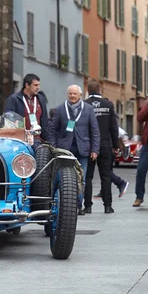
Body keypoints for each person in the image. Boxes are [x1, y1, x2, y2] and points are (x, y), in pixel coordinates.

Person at [48, 85, 100, 215]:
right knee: (61, 177)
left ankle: (78, 205)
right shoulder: (60, 109)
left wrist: (95, 150)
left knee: (80, 178)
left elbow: (95, 131)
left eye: (75, 94)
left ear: (80, 95)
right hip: (64, 149)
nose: (72, 96)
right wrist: (54, 147)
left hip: (83, 150)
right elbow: (52, 130)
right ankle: (59, 203)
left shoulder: (88, 109)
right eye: (70, 93)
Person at [83, 79, 127, 213]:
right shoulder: (108, 104)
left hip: (88, 146)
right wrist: (115, 145)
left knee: (88, 177)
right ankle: (108, 206)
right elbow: (114, 127)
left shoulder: (84, 105)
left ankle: (88, 206)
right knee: (106, 176)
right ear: (99, 90)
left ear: (88, 90)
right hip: (105, 144)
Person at [4, 74, 50, 143]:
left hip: (38, 140)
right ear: (27, 85)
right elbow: (8, 121)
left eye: (38, 85)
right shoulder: (14, 99)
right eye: (35, 85)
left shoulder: (41, 99)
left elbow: (45, 124)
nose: (38, 87)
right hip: (21, 141)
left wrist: (49, 142)